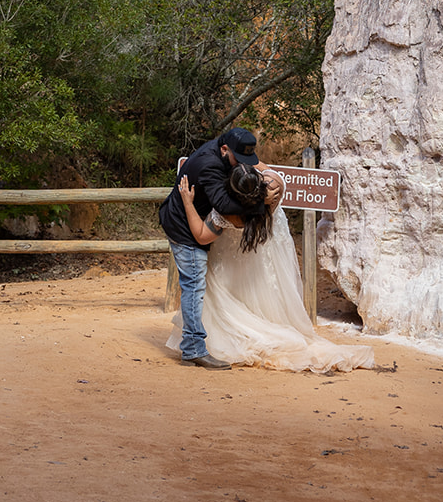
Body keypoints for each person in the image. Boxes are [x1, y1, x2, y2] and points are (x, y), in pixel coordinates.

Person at [167, 164, 375, 374]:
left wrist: (187, 201)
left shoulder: (227, 214)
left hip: (231, 265)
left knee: (221, 293)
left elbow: (202, 235)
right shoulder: (275, 188)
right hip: (258, 262)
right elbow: (265, 168)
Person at [158, 126, 278, 369]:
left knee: (198, 284)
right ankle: (193, 349)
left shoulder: (225, 152)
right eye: (240, 159)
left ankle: (193, 345)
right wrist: (262, 203)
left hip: (198, 219)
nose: (244, 165)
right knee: (194, 284)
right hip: (184, 227)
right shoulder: (208, 165)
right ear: (225, 150)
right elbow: (224, 204)